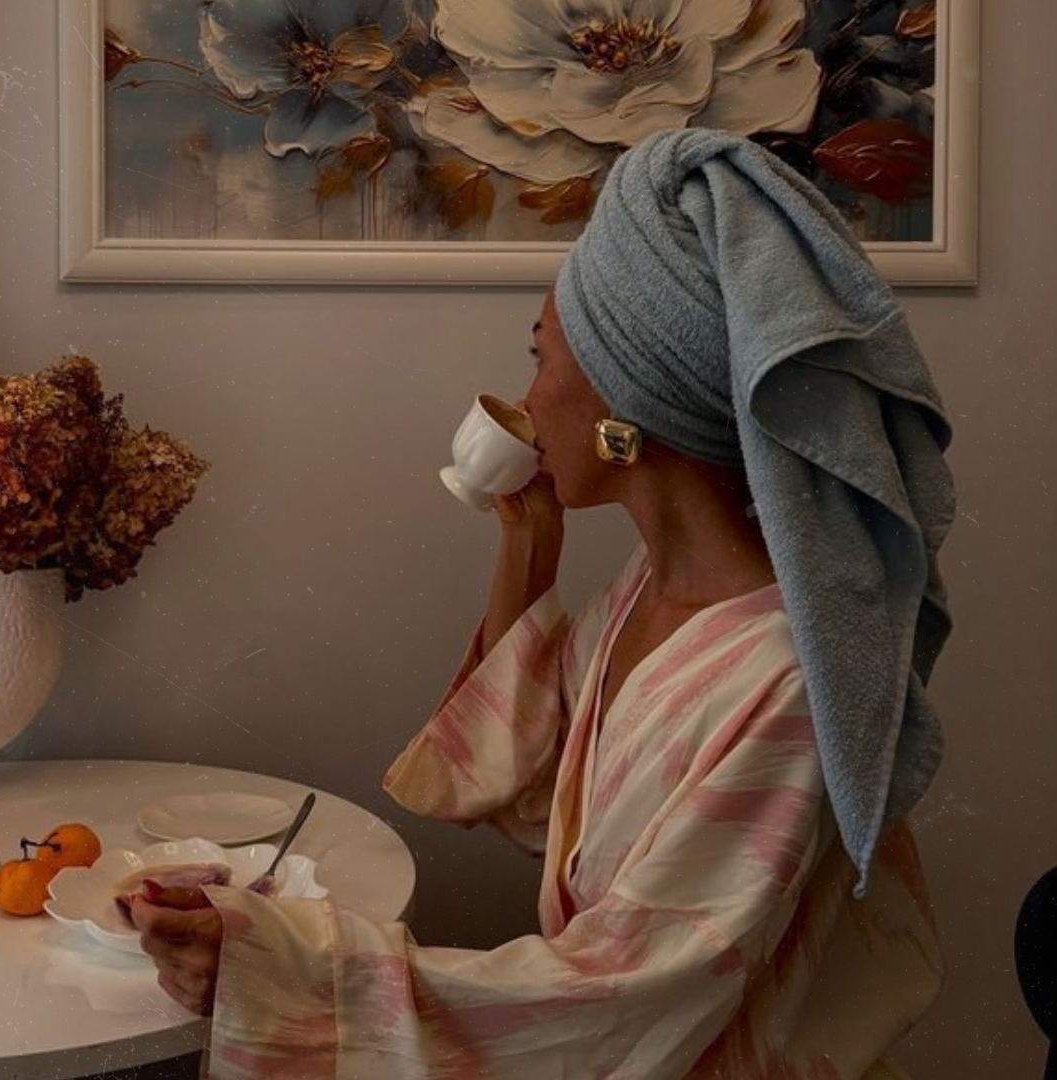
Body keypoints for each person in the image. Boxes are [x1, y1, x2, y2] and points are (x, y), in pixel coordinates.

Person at [130, 127, 956, 1080]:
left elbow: (619, 992)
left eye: (541, 358)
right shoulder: (649, 591)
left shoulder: (786, 684)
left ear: (625, 409)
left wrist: (282, 968)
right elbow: (533, 793)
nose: (525, 399)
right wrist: (527, 545)